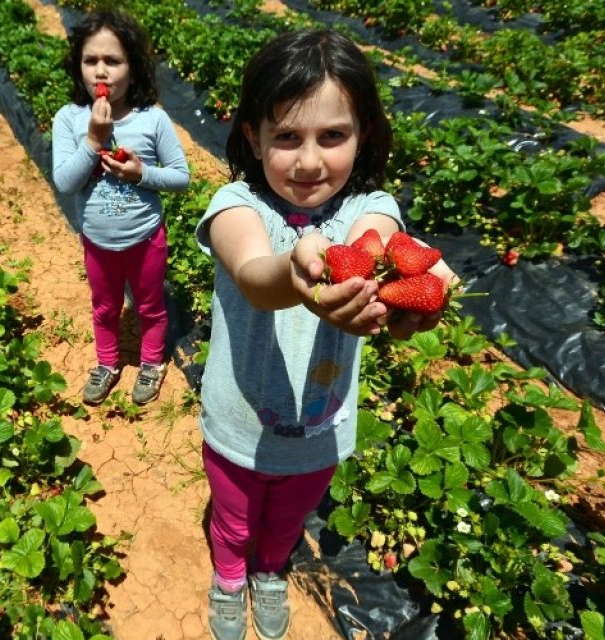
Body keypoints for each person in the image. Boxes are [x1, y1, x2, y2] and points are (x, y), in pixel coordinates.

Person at [195, 29, 456, 640]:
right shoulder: (236, 206)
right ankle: (230, 573)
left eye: (332, 136)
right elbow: (257, 278)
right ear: (251, 136)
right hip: (238, 421)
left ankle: (268, 568)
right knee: (233, 516)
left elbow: (385, 244)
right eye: (286, 137)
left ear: (362, 135)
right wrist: (298, 270)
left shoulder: (370, 210)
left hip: (321, 425)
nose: (309, 161)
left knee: (288, 517)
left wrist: (418, 290)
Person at [52, 10, 190, 406]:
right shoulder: (69, 119)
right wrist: (93, 140)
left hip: (145, 238)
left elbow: (181, 177)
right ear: (77, 65)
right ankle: (107, 363)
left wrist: (141, 173)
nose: (101, 71)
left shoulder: (153, 121)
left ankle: (151, 362)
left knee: (149, 305)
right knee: (105, 307)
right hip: (96, 241)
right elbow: (64, 182)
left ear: (134, 68)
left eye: (112, 61)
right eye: (90, 60)